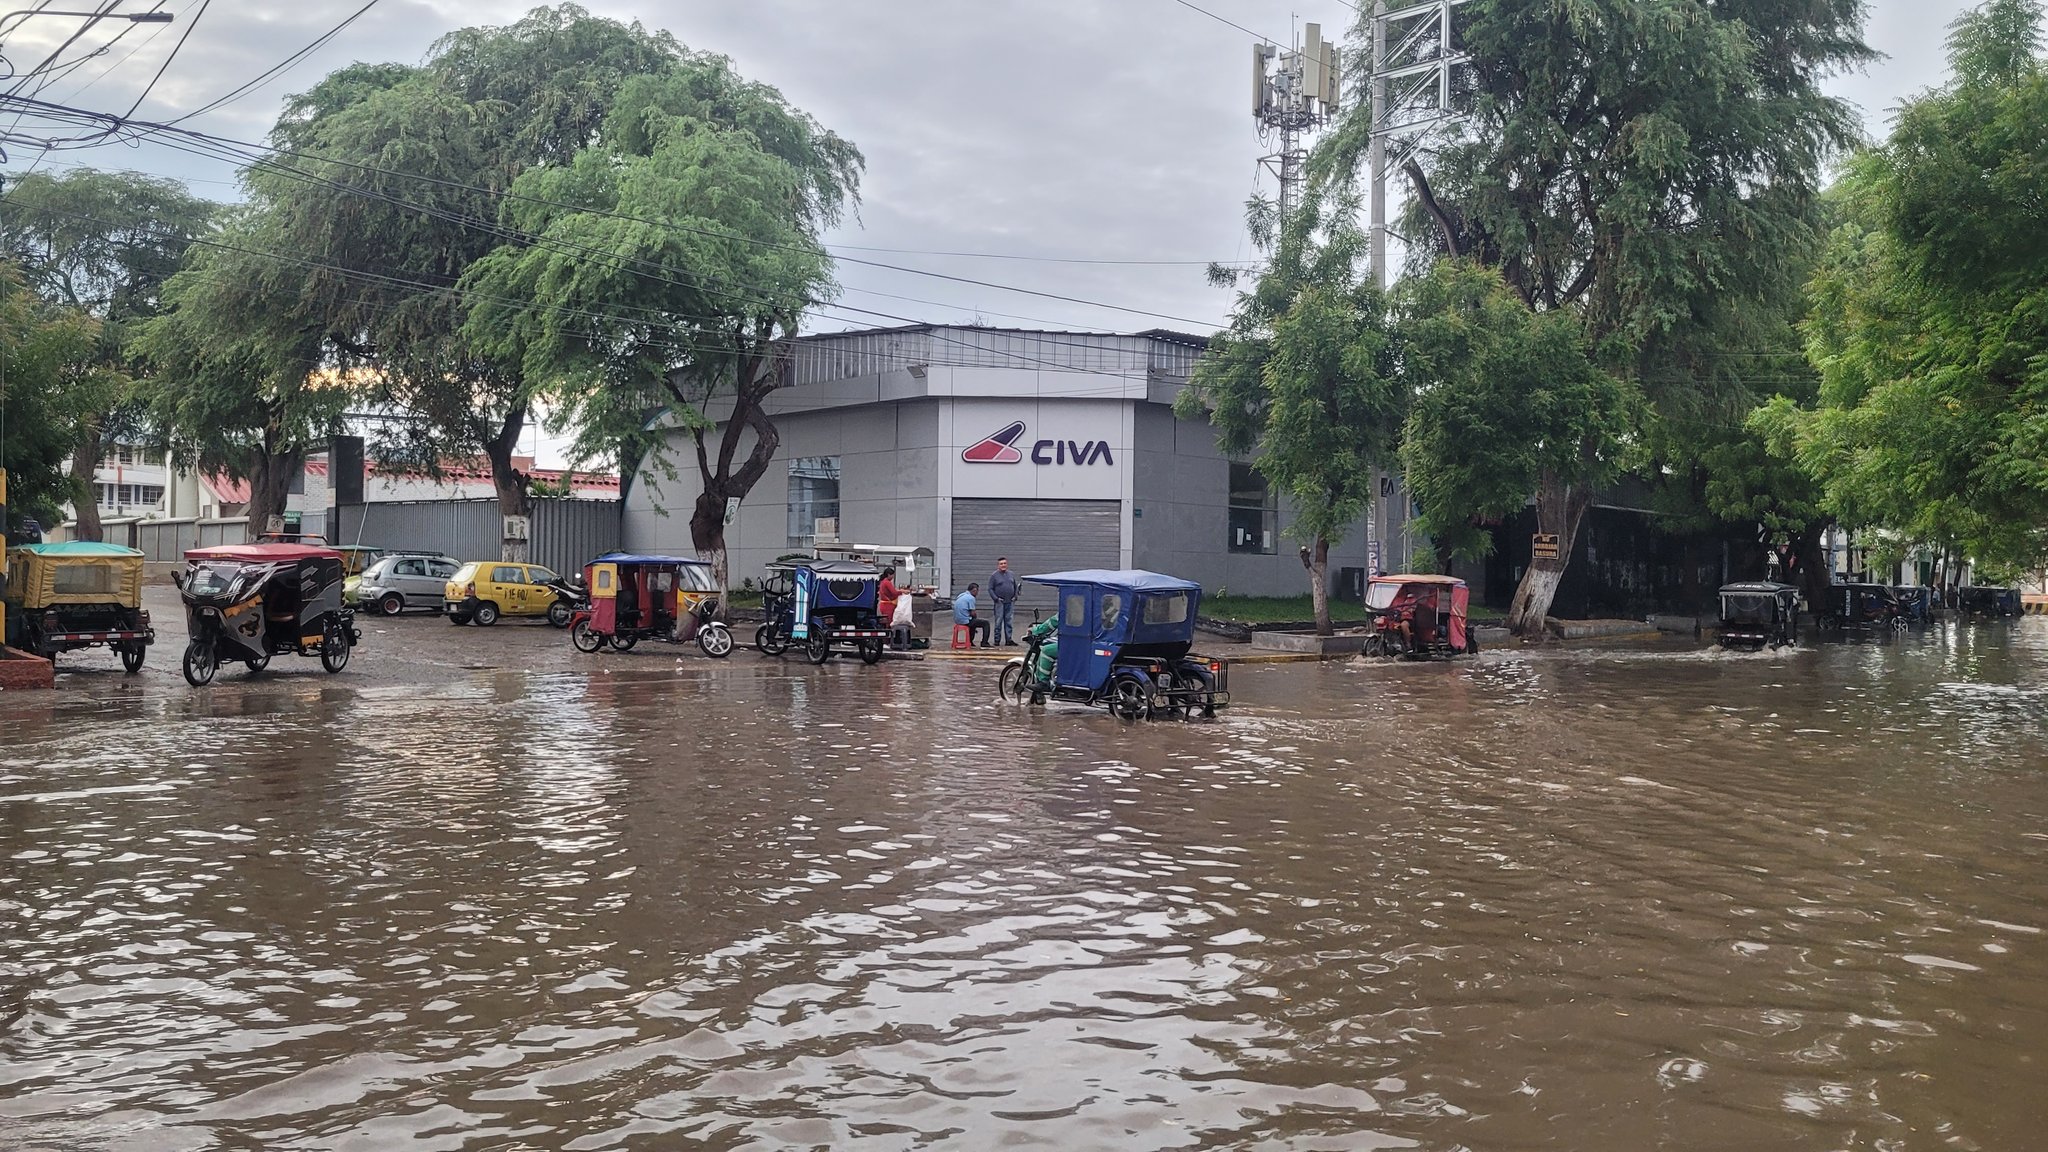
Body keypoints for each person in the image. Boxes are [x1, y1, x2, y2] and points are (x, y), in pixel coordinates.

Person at [988, 558, 1020, 646]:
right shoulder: (994, 576)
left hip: (1010, 602)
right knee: (998, 622)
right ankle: (997, 640)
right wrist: (996, 599)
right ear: (998, 565)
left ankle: (1009, 640)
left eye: (1004, 563)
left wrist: (1015, 596)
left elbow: (1015, 586)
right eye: (1001, 564)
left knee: (1009, 621)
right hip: (1000, 603)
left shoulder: (1011, 574)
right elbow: (990, 589)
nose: (1003, 565)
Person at [1025, 613, 1059, 687]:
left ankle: (1044, 681)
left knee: (1046, 650)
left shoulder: (1069, 609)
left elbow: (1052, 622)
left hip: (1071, 645)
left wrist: (1035, 630)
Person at [953, 583, 990, 647]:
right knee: (986, 623)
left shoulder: (961, 595)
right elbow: (973, 613)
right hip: (965, 620)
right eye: (977, 591)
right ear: (974, 590)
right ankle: (984, 642)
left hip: (957, 620)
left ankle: (970, 641)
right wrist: (975, 617)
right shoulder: (971, 598)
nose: (977, 593)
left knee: (973, 622)